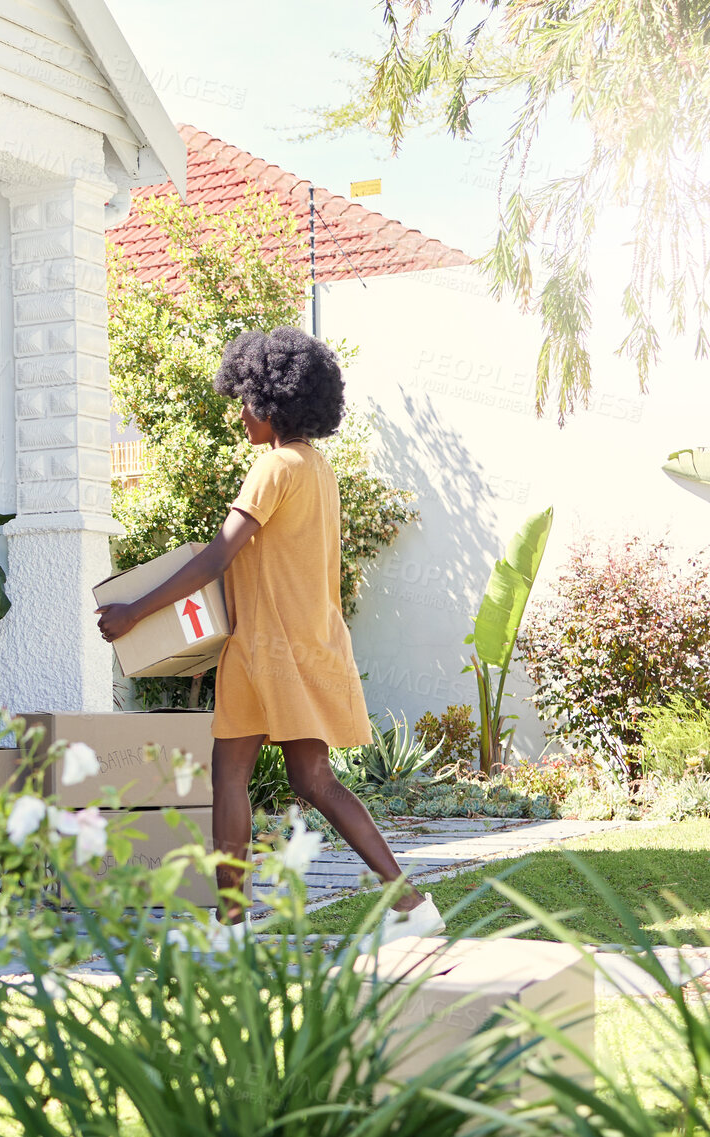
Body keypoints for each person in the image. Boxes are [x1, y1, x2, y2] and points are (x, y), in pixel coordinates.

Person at [95, 327, 443, 948]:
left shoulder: (273, 467)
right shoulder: (317, 467)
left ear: (273, 402)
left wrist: (134, 612)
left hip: (268, 652)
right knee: (304, 780)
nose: (242, 416)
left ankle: (232, 929)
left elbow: (215, 559)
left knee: (234, 780)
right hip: (302, 645)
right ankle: (409, 905)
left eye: (247, 403)